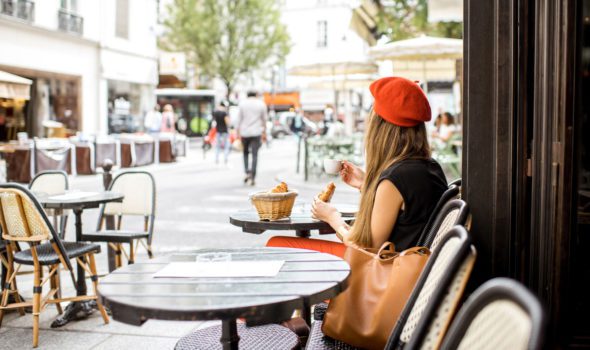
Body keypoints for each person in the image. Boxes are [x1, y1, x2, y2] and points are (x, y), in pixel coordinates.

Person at [267, 76, 448, 257]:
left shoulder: (395, 180)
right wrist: (366, 184)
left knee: (277, 245)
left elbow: (364, 249)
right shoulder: (430, 168)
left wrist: (332, 217)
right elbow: (407, 218)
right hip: (410, 267)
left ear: (381, 130)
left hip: (385, 272)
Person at [237, 91, 267, 186]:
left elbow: (239, 119)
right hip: (256, 132)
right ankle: (253, 177)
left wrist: (238, 132)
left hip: (244, 132)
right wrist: (264, 132)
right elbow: (264, 119)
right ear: (256, 95)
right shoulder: (261, 104)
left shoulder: (242, 103)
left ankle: (247, 172)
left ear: (247, 95)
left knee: (245, 153)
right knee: (255, 155)